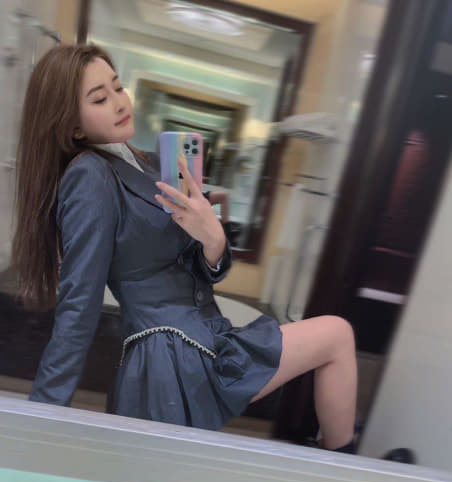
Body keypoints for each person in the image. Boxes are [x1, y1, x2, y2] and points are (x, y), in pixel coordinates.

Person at [12, 44, 357, 453]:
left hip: (203, 339)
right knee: (336, 335)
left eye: (118, 87)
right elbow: (79, 305)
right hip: (169, 357)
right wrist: (40, 424)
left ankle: (339, 464)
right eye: (100, 99)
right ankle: (343, 467)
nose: (120, 103)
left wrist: (212, 238)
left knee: (336, 337)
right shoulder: (90, 176)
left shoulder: (143, 164)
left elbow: (190, 266)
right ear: (73, 127)